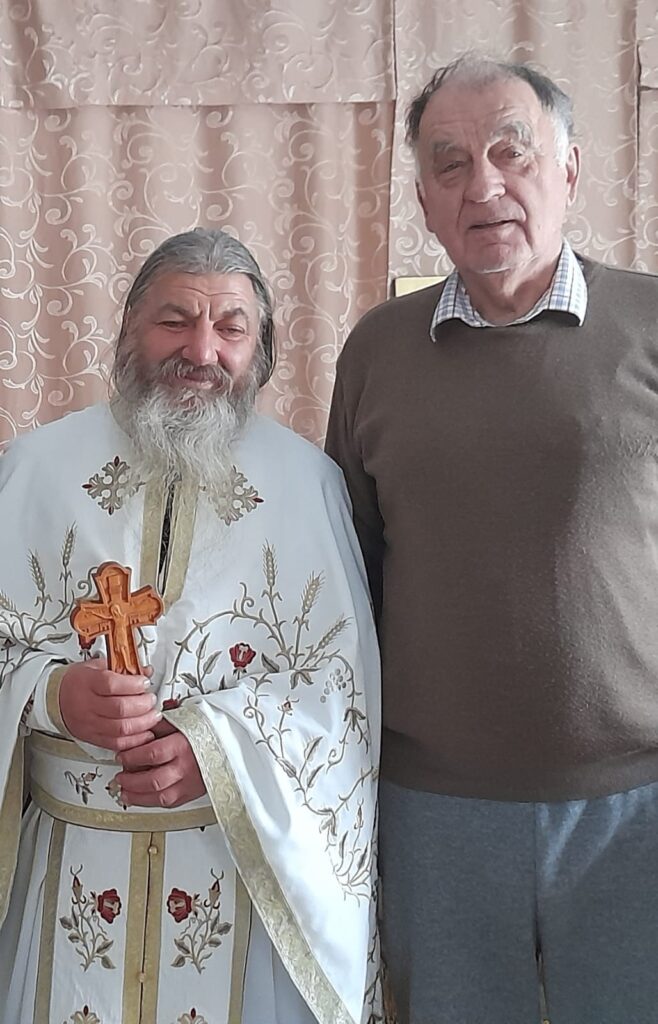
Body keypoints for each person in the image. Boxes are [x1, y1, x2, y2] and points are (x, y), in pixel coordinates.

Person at [326, 52, 658, 1024]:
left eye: (513, 153)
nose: (484, 186)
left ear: (569, 170)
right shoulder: (377, 351)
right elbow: (347, 573)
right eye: (450, 163)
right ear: (423, 202)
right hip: (434, 810)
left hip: (637, 801)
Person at [0, 228, 382, 1024]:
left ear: (260, 352)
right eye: (174, 321)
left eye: (230, 328)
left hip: (240, 876)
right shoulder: (33, 470)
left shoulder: (308, 486)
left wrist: (219, 748)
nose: (201, 351)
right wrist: (50, 697)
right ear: (128, 331)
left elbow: (342, 695)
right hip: (68, 867)